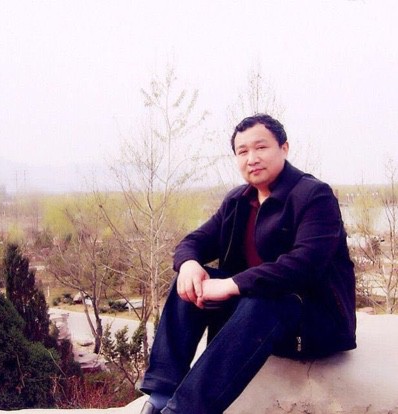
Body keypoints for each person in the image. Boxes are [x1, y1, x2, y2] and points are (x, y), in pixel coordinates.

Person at [139, 113, 356, 414]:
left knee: (264, 300)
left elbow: (303, 265)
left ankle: (185, 410)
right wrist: (188, 264)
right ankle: (161, 395)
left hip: (312, 324)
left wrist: (231, 285)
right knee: (190, 281)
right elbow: (194, 241)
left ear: (284, 148)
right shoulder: (238, 201)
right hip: (252, 324)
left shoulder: (314, 196)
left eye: (261, 147)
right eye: (242, 151)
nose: (252, 158)